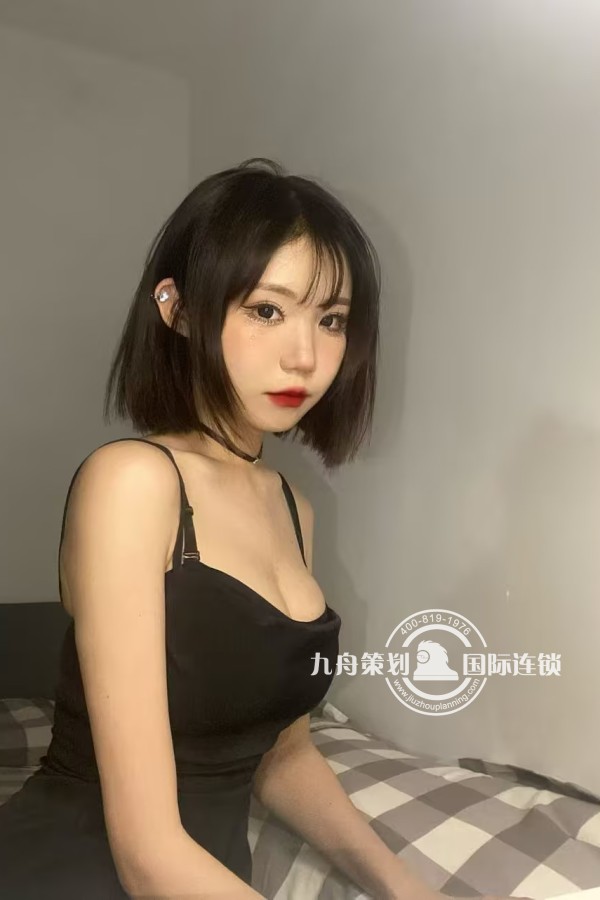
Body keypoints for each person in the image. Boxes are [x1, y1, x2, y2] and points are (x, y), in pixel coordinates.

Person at [0, 157, 529, 900]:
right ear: (178, 309)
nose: (305, 357)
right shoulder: (132, 482)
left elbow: (283, 756)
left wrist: (406, 889)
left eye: (332, 320)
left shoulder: (292, 508)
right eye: (267, 311)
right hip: (76, 871)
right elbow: (147, 856)